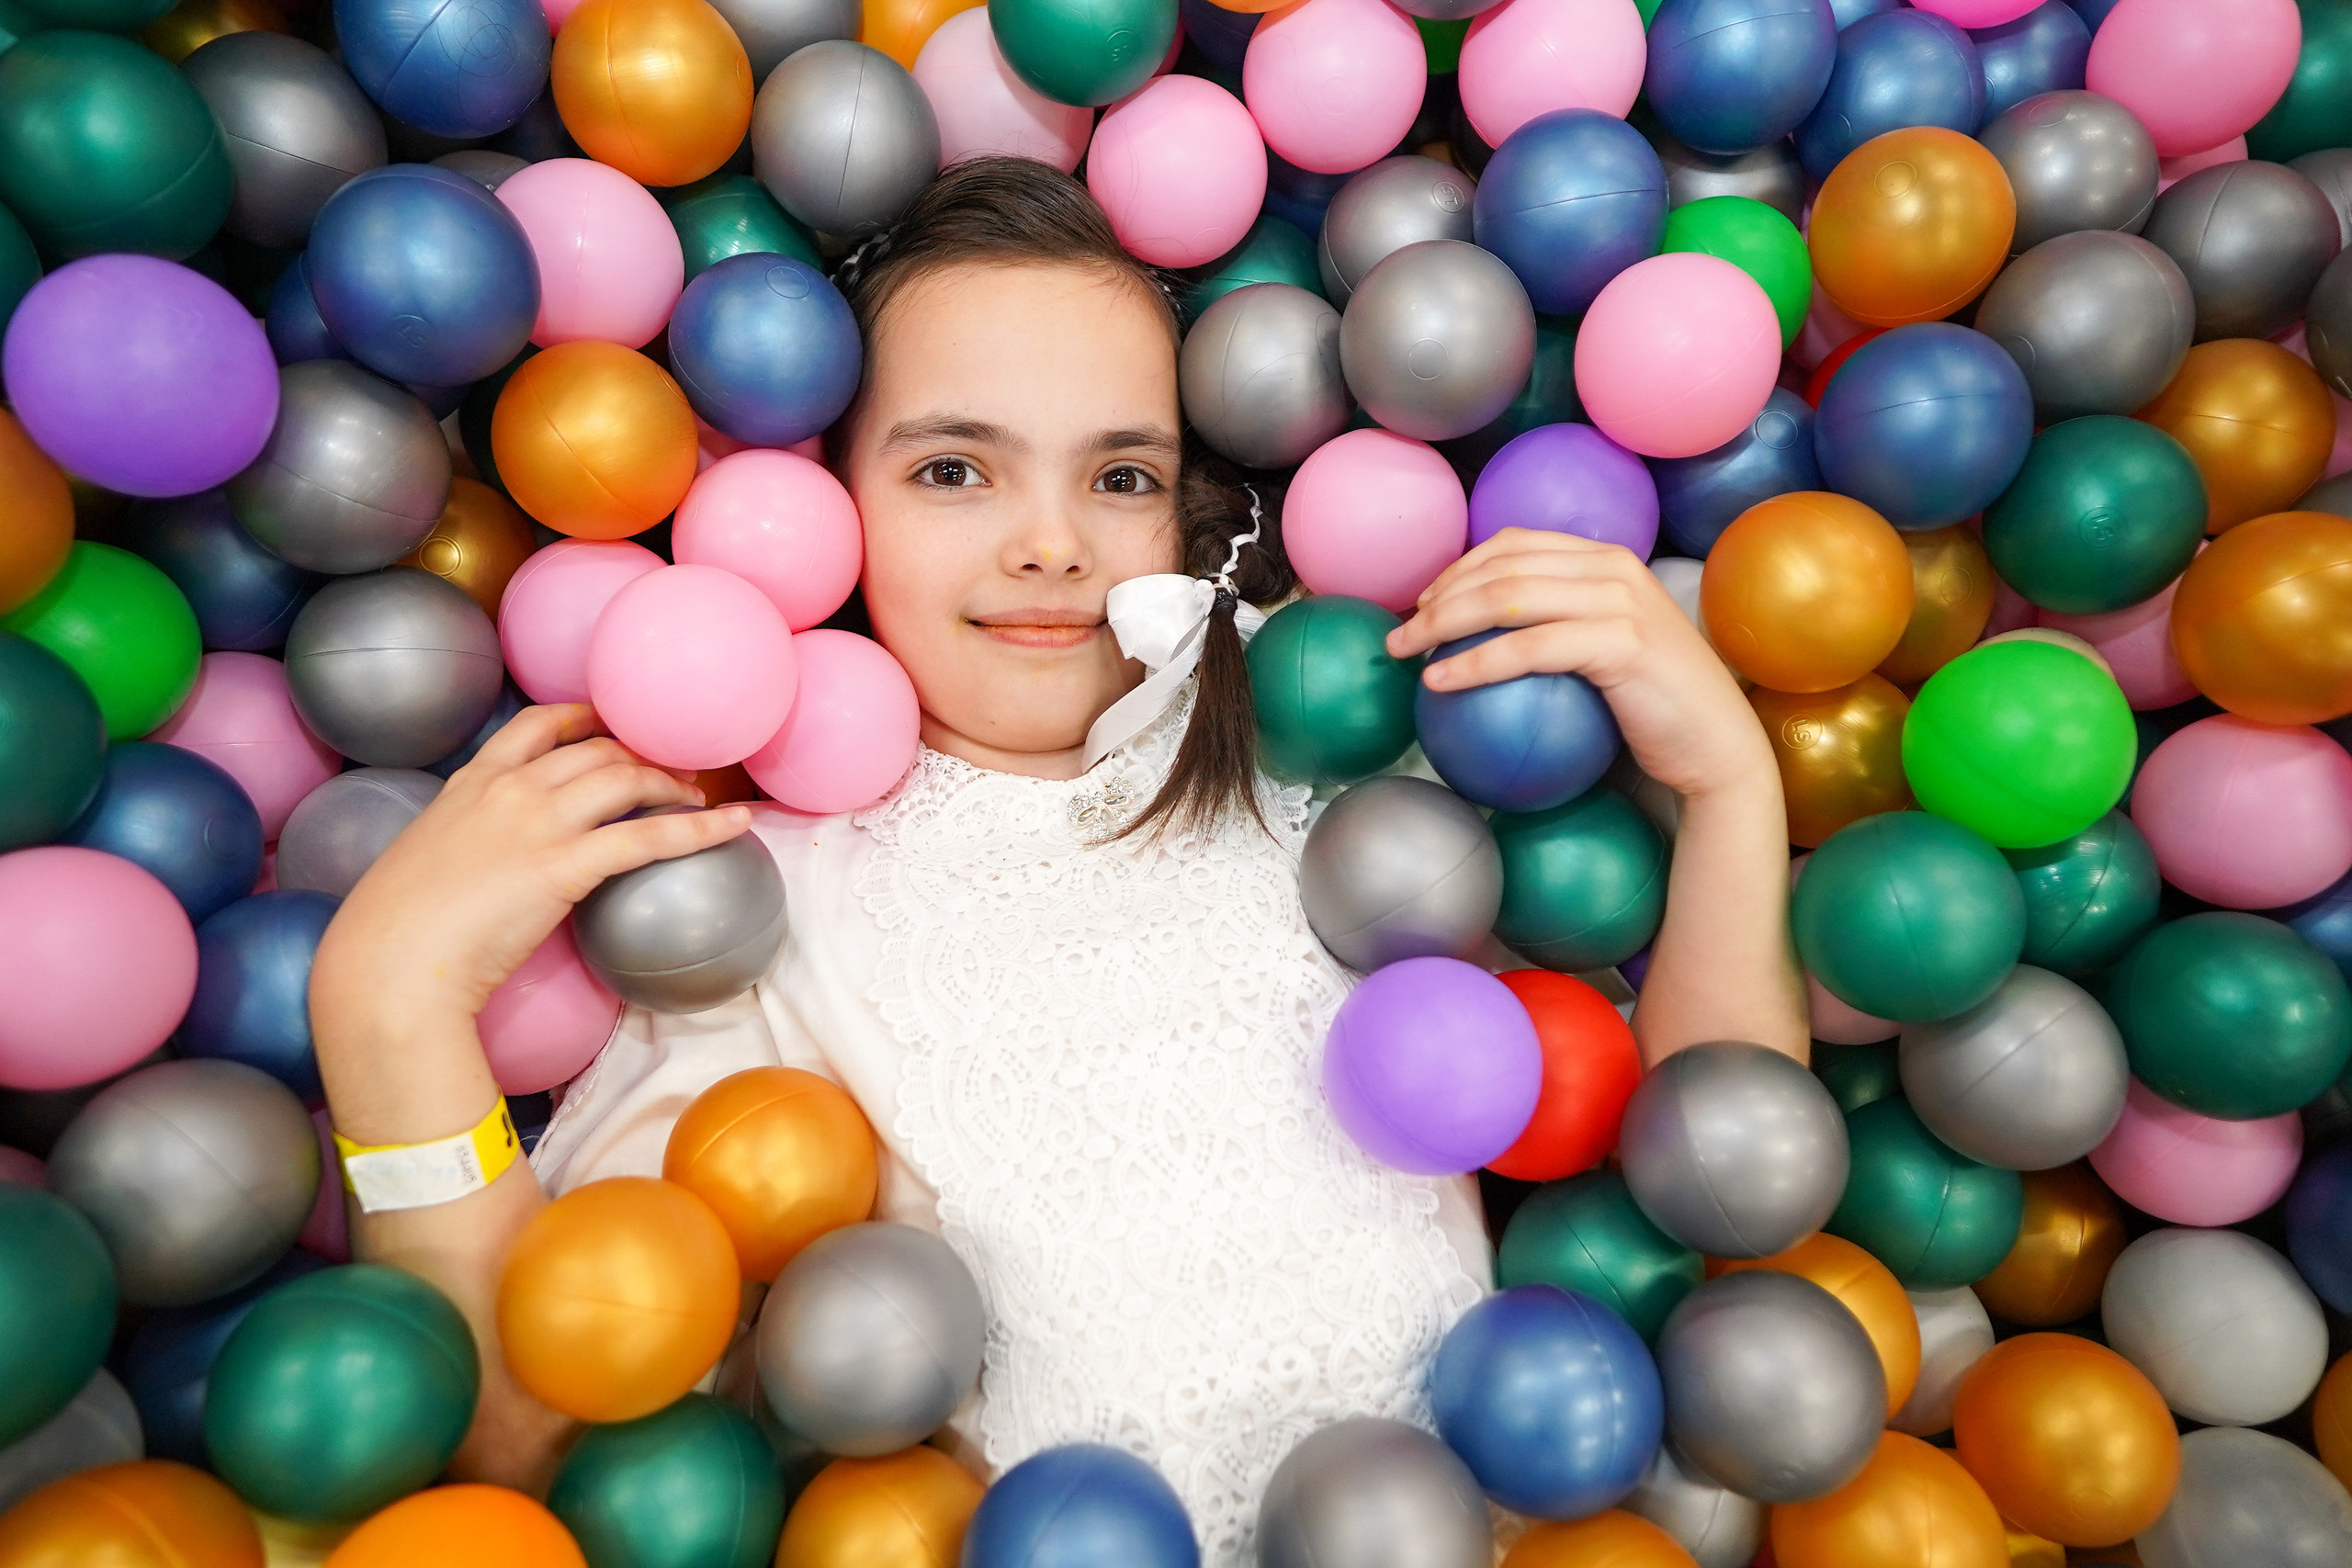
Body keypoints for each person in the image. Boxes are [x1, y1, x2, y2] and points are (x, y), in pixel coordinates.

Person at [311, 157, 1806, 1561]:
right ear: (824, 505)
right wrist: (387, 1016)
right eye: (955, 472)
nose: (1051, 546)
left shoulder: (1325, 768)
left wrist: (1728, 783)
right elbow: (527, 1437)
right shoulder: (750, 903)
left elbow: (1730, 1177)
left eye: (1120, 477)